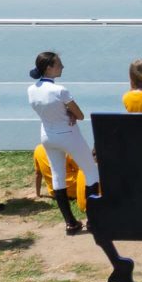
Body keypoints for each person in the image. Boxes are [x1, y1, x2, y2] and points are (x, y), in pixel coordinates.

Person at [27, 52, 101, 235]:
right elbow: (80, 115)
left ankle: (70, 223)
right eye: (59, 64)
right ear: (48, 68)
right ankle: (93, 221)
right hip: (68, 135)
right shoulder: (60, 90)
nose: (62, 67)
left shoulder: (31, 89)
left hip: (47, 136)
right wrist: (70, 115)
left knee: (57, 176)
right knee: (91, 171)